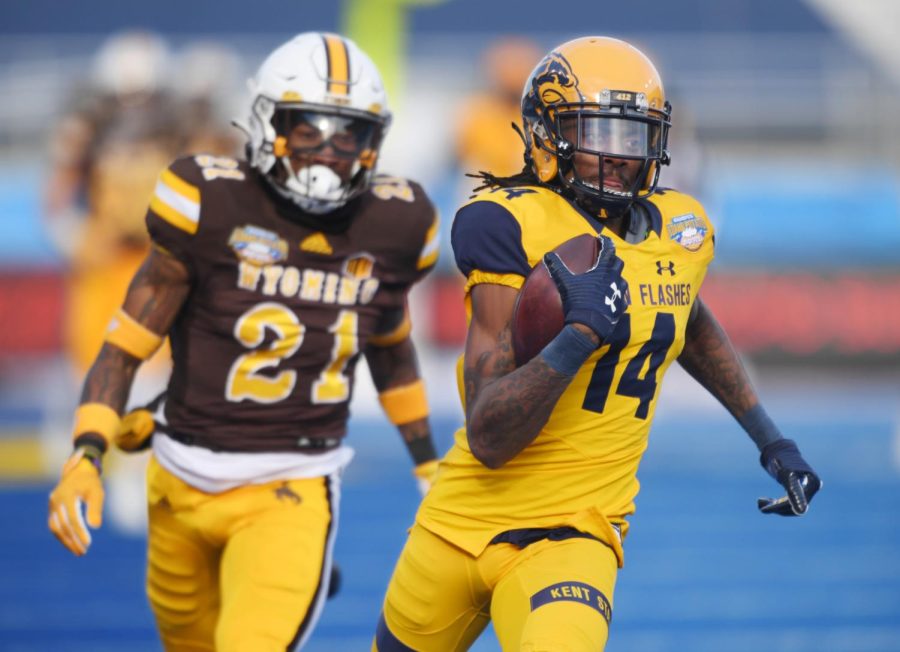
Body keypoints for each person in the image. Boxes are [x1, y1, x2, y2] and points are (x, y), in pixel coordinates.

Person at [373, 36, 821, 651]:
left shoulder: (680, 230)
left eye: (632, 137)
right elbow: (489, 434)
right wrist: (577, 336)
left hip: (573, 538)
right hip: (457, 526)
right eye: (597, 136)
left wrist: (772, 439)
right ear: (545, 135)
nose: (617, 157)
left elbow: (684, 317)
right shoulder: (509, 223)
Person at [47, 31, 441, 651]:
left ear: (375, 141)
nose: (329, 154)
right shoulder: (207, 202)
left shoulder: (396, 223)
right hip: (176, 480)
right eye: (308, 131)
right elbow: (125, 347)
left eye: (349, 135)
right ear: (267, 124)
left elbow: (389, 341)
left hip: (291, 484)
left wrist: (427, 463)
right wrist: (87, 453)